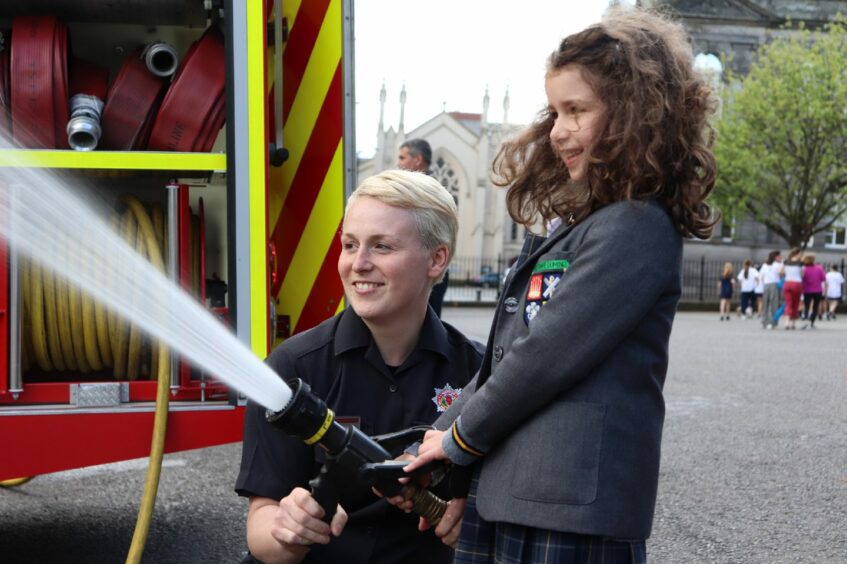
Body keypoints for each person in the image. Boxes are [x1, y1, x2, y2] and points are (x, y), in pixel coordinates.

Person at [396, 7, 717, 563]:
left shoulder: (637, 226)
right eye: (556, 111)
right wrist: (436, 437)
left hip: (571, 512)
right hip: (516, 497)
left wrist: (457, 441)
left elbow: (545, 356)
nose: (559, 130)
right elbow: (506, 359)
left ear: (634, 116)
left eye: (577, 110)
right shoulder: (586, 222)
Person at [235, 170, 484, 564]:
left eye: (382, 247)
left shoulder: (480, 375)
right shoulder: (292, 369)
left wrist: (470, 523)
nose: (359, 263)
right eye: (350, 245)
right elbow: (261, 534)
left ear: (437, 259)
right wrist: (287, 528)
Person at [397, 138, 450, 318]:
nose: (399, 163)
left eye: (402, 157)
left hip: (427, 268)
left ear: (418, 160)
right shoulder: (415, 188)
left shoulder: (430, 191)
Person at [800, 253, 826, 329]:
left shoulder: (804, 269)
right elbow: (823, 278)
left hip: (807, 290)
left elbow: (802, 279)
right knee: (815, 306)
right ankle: (812, 322)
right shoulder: (819, 268)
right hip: (818, 290)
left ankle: (805, 320)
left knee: (807, 306)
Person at [780, 248, 804, 330]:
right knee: (795, 303)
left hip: (787, 283)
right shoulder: (800, 263)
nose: (801, 255)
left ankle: (786, 322)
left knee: (788, 303)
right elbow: (802, 275)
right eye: (800, 254)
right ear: (796, 254)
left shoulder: (785, 261)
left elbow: (781, 272)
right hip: (797, 283)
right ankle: (792, 323)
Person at [759, 250, 783, 329]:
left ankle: (764, 321)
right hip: (774, 284)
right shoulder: (778, 265)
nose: (781, 258)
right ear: (776, 257)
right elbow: (781, 274)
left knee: (765, 304)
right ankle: (772, 322)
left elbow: (761, 276)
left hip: (766, 285)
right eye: (779, 256)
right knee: (773, 304)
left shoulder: (764, 265)